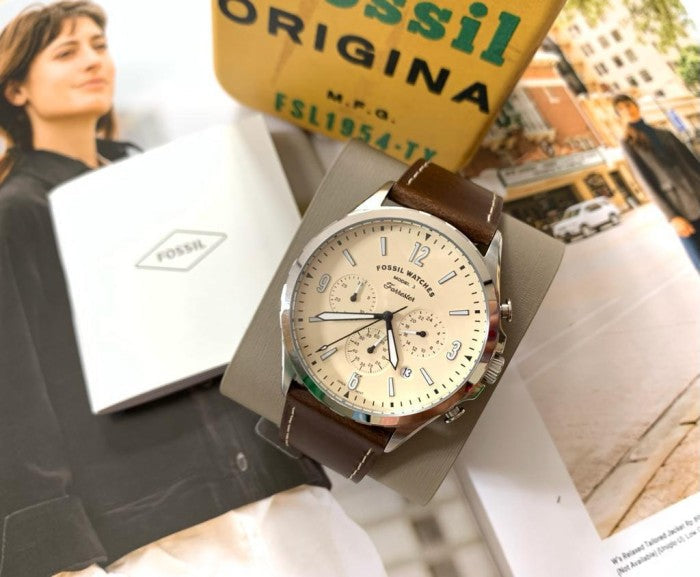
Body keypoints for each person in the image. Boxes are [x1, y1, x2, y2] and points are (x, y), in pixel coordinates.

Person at [0, 4, 386, 576]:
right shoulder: (17, 214)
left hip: (282, 490)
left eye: (99, 45)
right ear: (16, 90)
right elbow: (15, 396)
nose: (93, 61)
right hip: (159, 532)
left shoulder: (170, 184)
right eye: (67, 52)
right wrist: (60, 559)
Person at [613, 94, 700, 271]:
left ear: (636, 105)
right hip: (681, 207)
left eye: (628, 105)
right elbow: (646, 183)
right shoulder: (628, 144)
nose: (627, 110)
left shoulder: (665, 133)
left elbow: (694, 163)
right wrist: (672, 216)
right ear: (619, 116)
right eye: (621, 109)